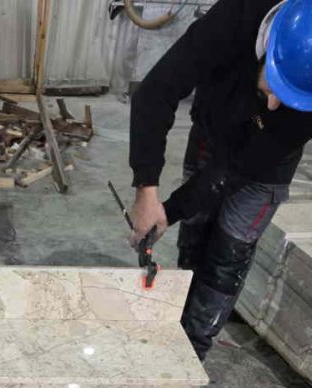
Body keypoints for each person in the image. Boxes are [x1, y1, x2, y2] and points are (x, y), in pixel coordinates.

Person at [128, 0, 312, 361]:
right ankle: (175, 324)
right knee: (195, 235)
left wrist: (168, 210)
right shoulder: (236, 16)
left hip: (266, 163)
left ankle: (191, 354)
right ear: (269, 45)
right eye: (276, 86)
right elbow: (155, 93)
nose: (274, 105)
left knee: (228, 256)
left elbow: (238, 167)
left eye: (291, 98)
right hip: (212, 129)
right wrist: (147, 194)